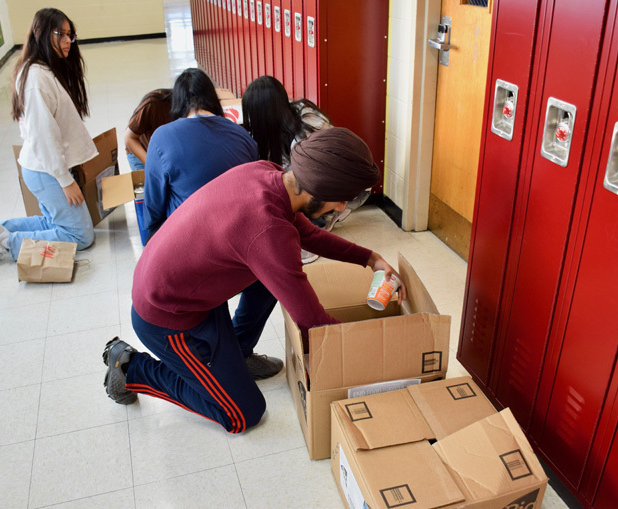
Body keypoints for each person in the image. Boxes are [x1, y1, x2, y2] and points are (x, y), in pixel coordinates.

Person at [102, 128, 402, 434]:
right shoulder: (267, 231)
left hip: (194, 291)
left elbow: (305, 233)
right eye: (341, 201)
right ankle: (129, 368)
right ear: (316, 189)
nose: (341, 208)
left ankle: (239, 354)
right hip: (169, 319)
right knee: (243, 415)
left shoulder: (268, 174)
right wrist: (384, 344)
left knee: (275, 274)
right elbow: (313, 322)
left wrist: (370, 258)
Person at [0, 8, 96, 269]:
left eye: (71, 35)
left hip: (43, 168)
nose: (68, 41)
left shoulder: (39, 70)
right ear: (41, 34)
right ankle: (4, 243)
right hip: (47, 171)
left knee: (52, 224)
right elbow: (44, 136)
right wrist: (65, 181)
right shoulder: (36, 78)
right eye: (61, 34)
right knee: (81, 235)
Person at [242, 76, 371, 263]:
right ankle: (332, 211)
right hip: (339, 186)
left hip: (350, 190)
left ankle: (327, 216)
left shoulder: (303, 136)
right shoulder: (294, 117)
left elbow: (311, 186)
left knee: (296, 195)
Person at [143, 68, 258, 235]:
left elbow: (153, 205)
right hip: (238, 234)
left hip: (188, 237)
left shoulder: (162, 137)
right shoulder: (242, 135)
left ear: (178, 103)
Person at [124, 88, 172, 171]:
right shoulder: (154, 103)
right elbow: (129, 138)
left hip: (165, 155)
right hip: (141, 152)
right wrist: (153, 167)